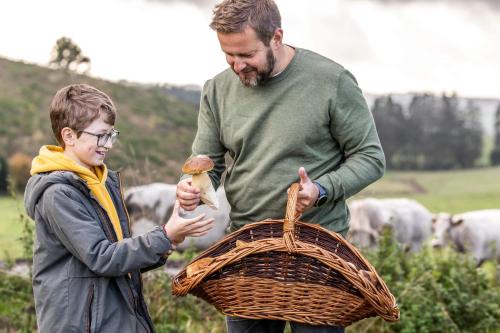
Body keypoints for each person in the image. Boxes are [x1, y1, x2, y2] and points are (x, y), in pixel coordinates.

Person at [176, 0, 385, 331]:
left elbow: (370, 157)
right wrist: (192, 188)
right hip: (246, 249)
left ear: (276, 36)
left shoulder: (331, 81)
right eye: (228, 55)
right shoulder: (216, 90)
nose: (237, 65)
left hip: (316, 252)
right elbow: (207, 163)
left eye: (247, 55)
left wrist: (321, 189)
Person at [24, 84, 214, 333]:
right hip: (80, 325)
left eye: (111, 135)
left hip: (111, 318)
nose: (108, 144)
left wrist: (167, 241)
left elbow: (119, 256)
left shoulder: (101, 182)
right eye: (101, 135)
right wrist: (164, 235)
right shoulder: (59, 194)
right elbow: (102, 257)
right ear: (69, 136)